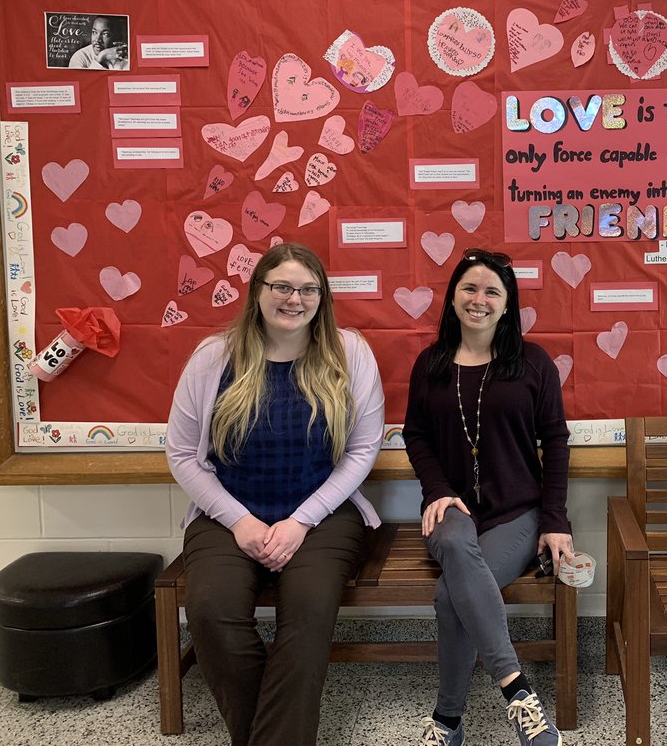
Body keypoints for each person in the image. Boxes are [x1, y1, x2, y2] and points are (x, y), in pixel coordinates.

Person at [166, 242, 384, 746]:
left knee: (307, 618)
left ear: (322, 297)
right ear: (257, 291)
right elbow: (182, 455)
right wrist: (240, 521)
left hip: (324, 516)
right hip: (227, 513)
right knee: (212, 613)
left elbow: (361, 451)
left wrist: (301, 521)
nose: (295, 298)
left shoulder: (348, 353)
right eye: (282, 286)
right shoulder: (213, 358)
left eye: (309, 289)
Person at [404, 248, 572, 746]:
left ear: (507, 304)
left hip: (519, 512)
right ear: (453, 298)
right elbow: (416, 435)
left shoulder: (533, 364)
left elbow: (556, 441)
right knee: (455, 546)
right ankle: (518, 692)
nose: (479, 300)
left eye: (492, 292)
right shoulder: (430, 364)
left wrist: (554, 520)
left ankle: (447, 722)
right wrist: (436, 489)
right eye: (469, 289)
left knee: (447, 595)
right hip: (449, 507)